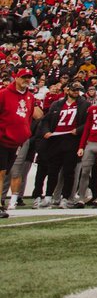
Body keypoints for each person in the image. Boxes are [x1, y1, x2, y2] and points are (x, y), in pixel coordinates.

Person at [0, 69, 40, 219]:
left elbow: (29, 117)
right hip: (2, 138)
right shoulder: (3, 94)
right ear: (16, 78)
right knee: (1, 172)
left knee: (7, 173)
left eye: (29, 78)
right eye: (24, 77)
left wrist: (24, 134)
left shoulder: (30, 97)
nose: (27, 80)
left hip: (16, 142)